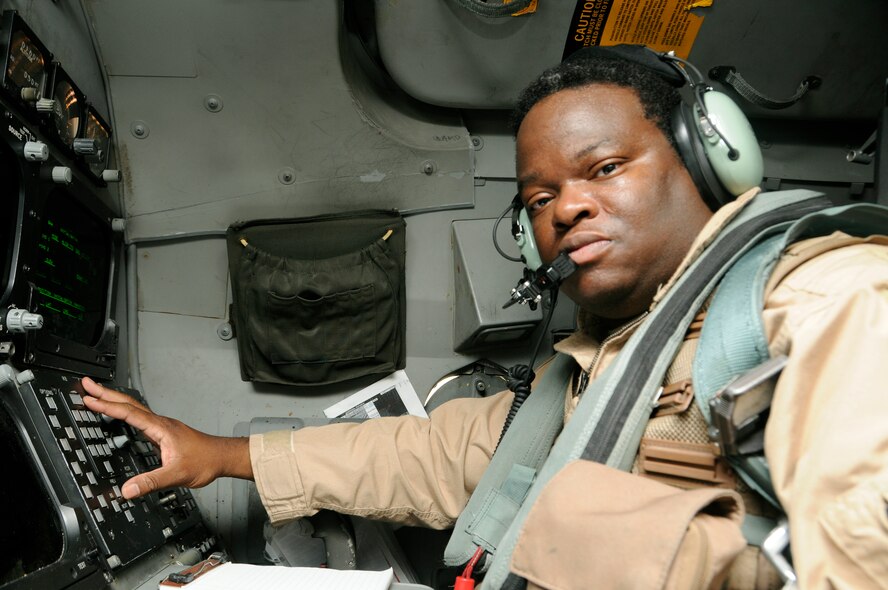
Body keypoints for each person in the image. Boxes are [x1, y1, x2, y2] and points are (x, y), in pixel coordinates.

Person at [80, 48, 888, 589]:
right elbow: (437, 454)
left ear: (709, 158)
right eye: (539, 198)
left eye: (606, 168)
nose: (567, 208)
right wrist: (220, 455)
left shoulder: (832, 302)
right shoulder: (607, 357)